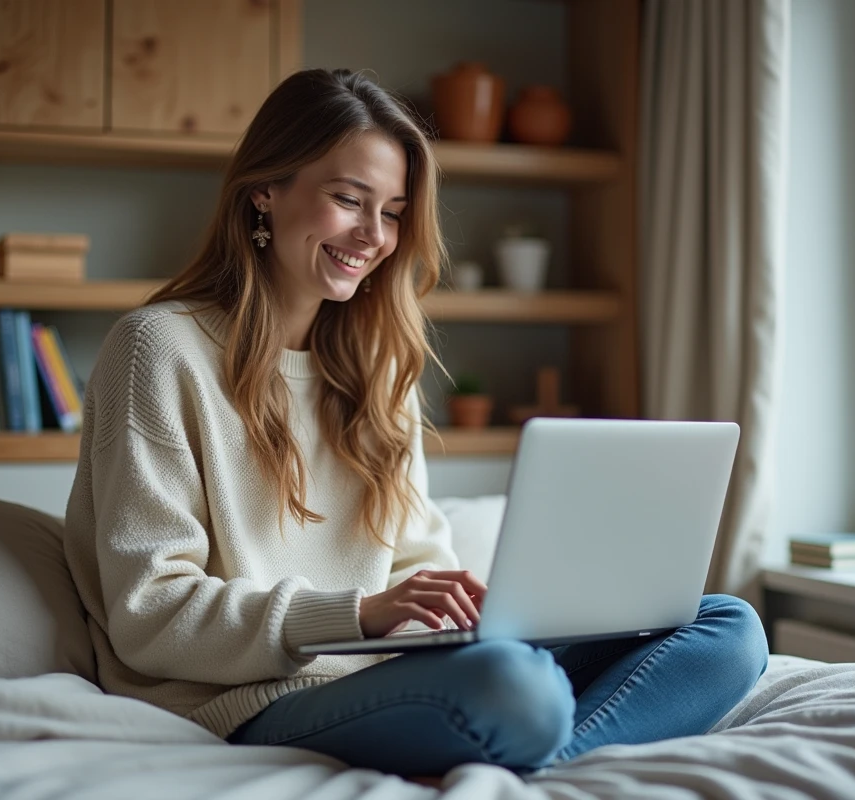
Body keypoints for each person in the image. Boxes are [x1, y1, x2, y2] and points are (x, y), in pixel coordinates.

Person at [63, 67, 769, 779]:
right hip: (246, 698)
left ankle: (540, 748)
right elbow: (150, 614)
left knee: (728, 629)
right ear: (265, 192)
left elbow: (415, 560)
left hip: (397, 676)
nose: (374, 236)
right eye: (349, 200)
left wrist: (473, 613)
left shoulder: (377, 369)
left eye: (394, 212)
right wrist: (360, 614)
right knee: (516, 689)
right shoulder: (158, 350)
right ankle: (535, 731)